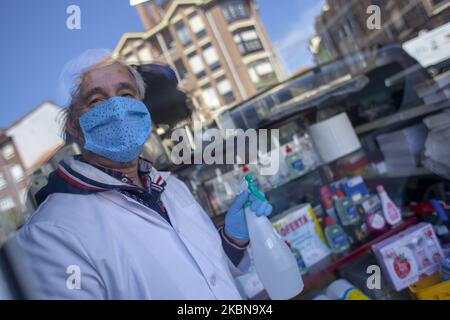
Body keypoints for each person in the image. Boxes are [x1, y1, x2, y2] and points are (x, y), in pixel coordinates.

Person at [5, 52, 272, 300]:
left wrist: (234, 238)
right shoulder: (49, 234)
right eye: (95, 100)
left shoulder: (171, 186)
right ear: (73, 126)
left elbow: (209, 274)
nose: (118, 109)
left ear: (142, 108)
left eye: (126, 94)